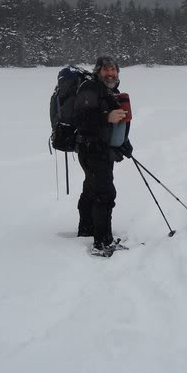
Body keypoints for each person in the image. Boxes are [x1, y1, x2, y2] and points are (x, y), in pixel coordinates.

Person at [73, 56, 133, 253]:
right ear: (98, 71)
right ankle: (102, 242)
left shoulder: (110, 92)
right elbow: (81, 119)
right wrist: (107, 116)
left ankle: (87, 229)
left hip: (103, 150)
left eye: (114, 70)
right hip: (91, 149)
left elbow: (117, 124)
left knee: (92, 189)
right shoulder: (89, 89)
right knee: (105, 193)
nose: (110, 73)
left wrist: (124, 143)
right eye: (106, 70)